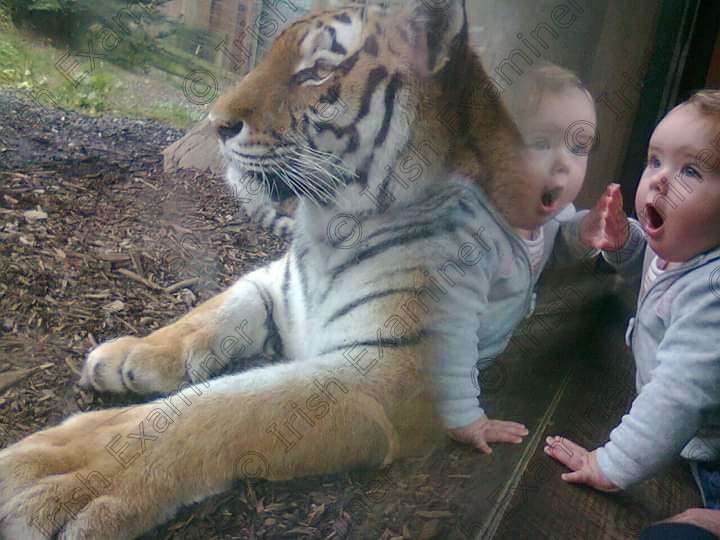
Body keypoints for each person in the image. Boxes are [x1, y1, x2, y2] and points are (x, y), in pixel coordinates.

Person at [544, 90, 720, 517]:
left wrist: (611, 464)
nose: (660, 179)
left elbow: (678, 394)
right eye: (655, 160)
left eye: (691, 170)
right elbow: (651, 255)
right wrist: (623, 243)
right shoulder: (686, 245)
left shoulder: (711, 298)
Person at [446, 64, 634, 452]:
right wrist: (463, 414)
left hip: (473, 359)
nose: (564, 162)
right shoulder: (472, 236)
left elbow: (557, 241)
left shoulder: (541, 213)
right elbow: (449, 329)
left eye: (579, 147)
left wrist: (584, 231)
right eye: (541, 142)